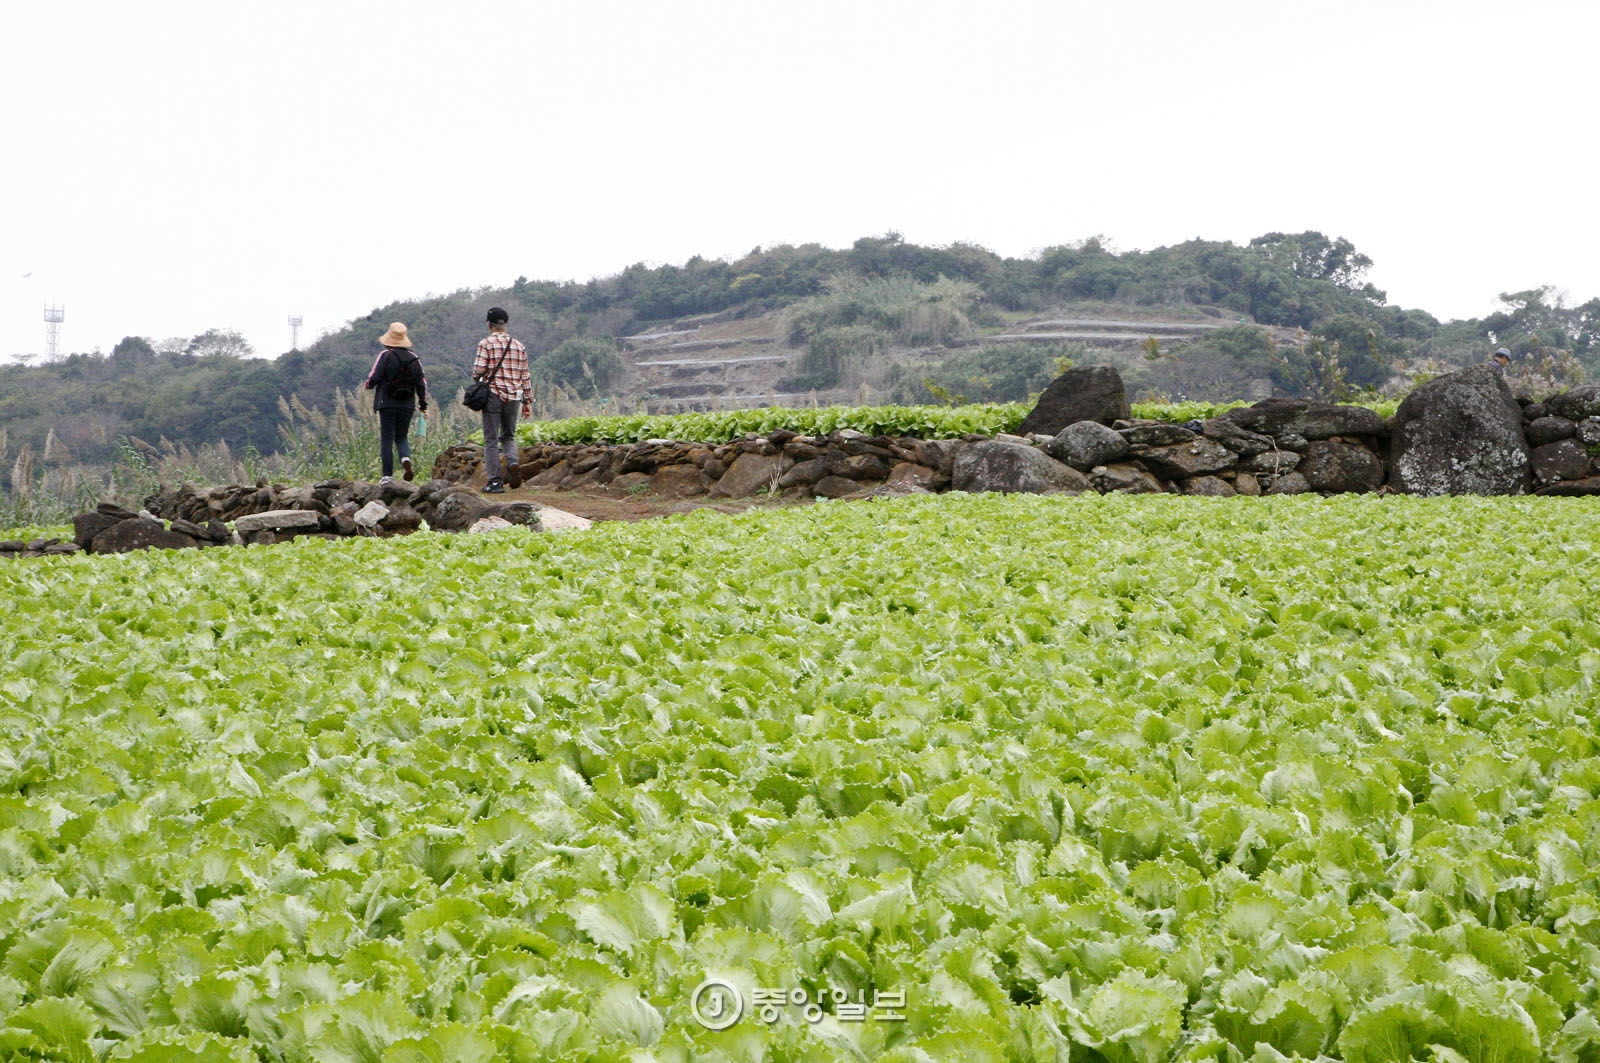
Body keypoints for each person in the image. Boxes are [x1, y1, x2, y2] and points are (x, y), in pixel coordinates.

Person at [472, 306, 534, 493]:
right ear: (506, 324)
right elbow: (525, 375)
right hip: (514, 397)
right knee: (508, 435)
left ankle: (495, 482)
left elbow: (478, 371)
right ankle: (513, 462)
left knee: (490, 440)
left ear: (490, 325)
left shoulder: (486, 343)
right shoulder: (518, 345)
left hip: (493, 395)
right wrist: (527, 401)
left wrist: (482, 378)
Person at [363, 322, 430, 483]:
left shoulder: (385, 355)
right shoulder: (414, 358)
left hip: (387, 403)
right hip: (407, 404)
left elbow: (374, 377)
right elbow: (421, 383)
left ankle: (387, 476)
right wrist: (423, 405)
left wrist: (368, 385)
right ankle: (405, 459)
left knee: (387, 438)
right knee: (401, 437)